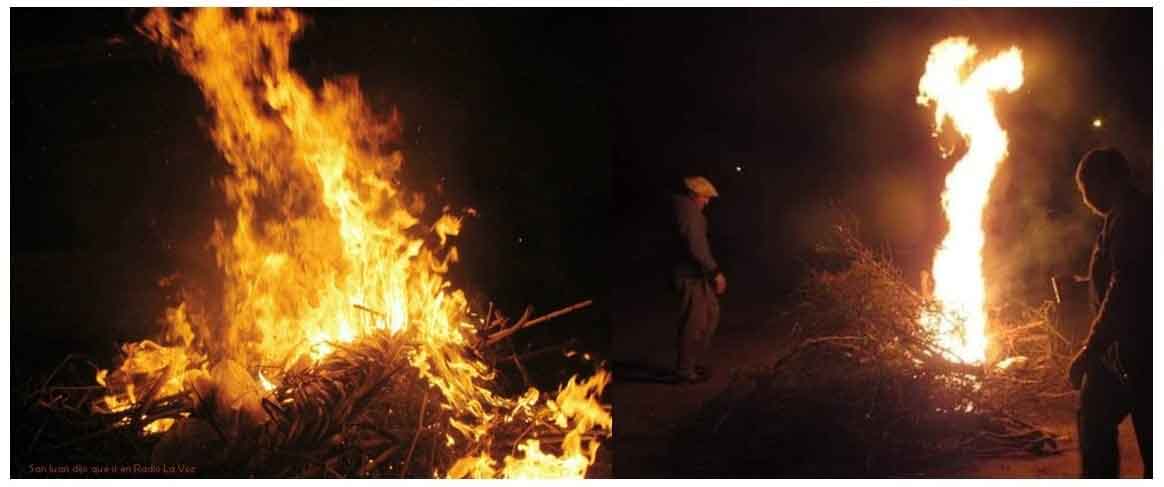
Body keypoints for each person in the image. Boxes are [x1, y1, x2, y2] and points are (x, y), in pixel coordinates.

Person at [1067, 147, 1152, 478]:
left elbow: (1125, 288)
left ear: (1102, 182)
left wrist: (1090, 349)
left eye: (1084, 189)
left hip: (1139, 349)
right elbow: (1123, 273)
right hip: (1123, 349)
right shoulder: (1125, 215)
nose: (1085, 199)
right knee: (1094, 413)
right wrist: (1085, 284)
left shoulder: (1131, 218)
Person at [670, 176, 727, 384]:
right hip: (689, 275)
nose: (707, 202)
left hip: (697, 274)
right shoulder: (688, 212)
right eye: (705, 197)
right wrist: (715, 272)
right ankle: (684, 371)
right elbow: (696, 247)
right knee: (694, 322)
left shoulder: (691, 212)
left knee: (711, 313)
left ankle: (691, 364)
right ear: (693, 195)